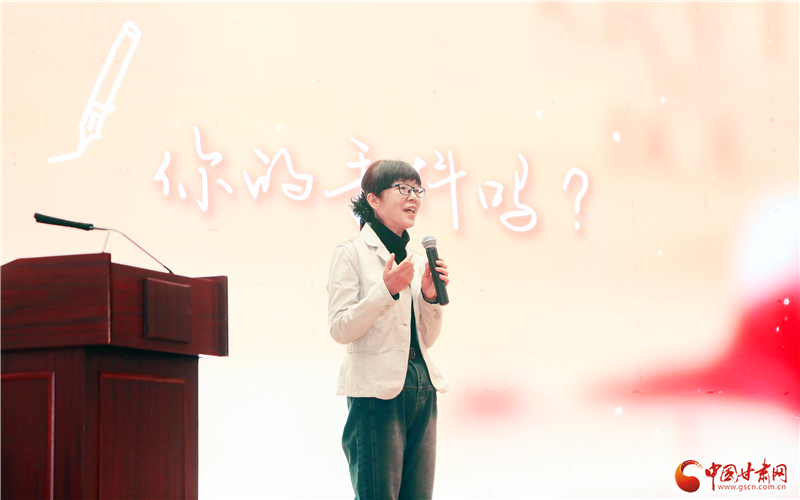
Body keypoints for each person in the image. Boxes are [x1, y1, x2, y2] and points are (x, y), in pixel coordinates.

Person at [327, 159, 450, 500]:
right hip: (376, 392)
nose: (413, 197)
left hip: (421, 383)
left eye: (417, 190)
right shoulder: (350, 253)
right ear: (373, 199)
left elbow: (426, 339)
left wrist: (430, 299)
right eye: (403, 188)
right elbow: (340, 328)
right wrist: (386, 290)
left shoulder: (417, 259)